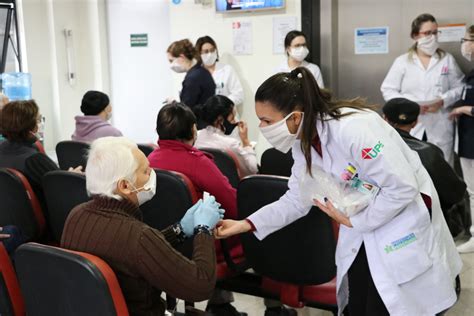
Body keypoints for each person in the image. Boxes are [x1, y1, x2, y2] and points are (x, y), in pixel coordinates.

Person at [216, 67, 462, 315]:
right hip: (361, 226)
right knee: (359, 302)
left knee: (393, 303)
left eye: (267, 121)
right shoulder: (304, 145)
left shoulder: (355, 129)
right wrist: (245, 224)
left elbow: (402, 188)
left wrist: (355, 220)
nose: (262, 127)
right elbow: (296, 199)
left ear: (295, 117)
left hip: (399, 225)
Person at [61, 136, 224, 316]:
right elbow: (200, 286)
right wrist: (203, 230)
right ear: (124, 186)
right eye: (146, 171)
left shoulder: (75, 215)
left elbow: (131, 255)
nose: (152, 174)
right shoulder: (137, 236)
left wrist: (179, 230)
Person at [147, 102, 247, 316]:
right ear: (193, 129)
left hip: (164, 241)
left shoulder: (149, 159)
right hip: (199, 245)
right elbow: (233, 204)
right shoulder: (198, 162)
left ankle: (220, 304)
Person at [381, 13, 464, 166]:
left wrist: (443, 101)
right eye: (427, 33)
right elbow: (388, 89)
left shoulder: (447, 59)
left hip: (439, 120)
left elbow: (460, 86)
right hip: (410, 121)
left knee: (442, 167)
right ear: (415, 35)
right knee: (413, 165)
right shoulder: (402, 62)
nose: (432, 37)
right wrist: (409, 105)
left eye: (435, 32)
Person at [382, 98, 466, 234]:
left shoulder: (371, 150)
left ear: (384, 118)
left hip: (384, 225)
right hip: (424, 226)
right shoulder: (429, 152)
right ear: (415, 123)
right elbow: (455, 192)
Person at [0, 100, 82, 218]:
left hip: (11, 219)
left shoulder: (3, 148)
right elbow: (60, 189)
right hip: (45, 221)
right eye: (38, 120)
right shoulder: (33, 159)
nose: (40, 124)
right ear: (29, 125)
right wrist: (72, 177)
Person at [451, 24, 474, 253]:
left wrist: (463, 110)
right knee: (473, 191)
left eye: (467, 39)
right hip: (467, 142)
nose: (464, 45)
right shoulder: (471, 73)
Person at [194, 95, 258, 177]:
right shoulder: (231, 144)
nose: (235, 121)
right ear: (220, 119)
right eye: (232, 118)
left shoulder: (196, 137)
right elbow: (253, 169)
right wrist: (246, 142)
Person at [195, 36, 244, 112]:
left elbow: (239, 95)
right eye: (206, 51)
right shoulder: (195, 74)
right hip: (205, 117)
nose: (210, 54)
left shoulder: (227, 69)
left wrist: (220, 104)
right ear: (199, 53)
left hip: (226, 114)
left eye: (212, 50)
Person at [167, 39, 216, 110]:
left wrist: (173, 103)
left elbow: (186, 110)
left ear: (181, 57)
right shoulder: (202, 71)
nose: (171, 65)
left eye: (171, 60)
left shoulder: (192, 78)